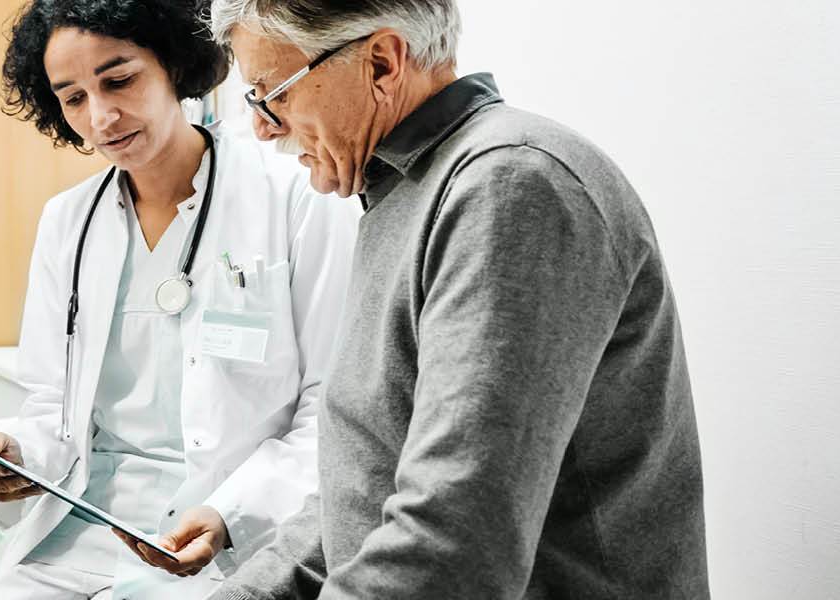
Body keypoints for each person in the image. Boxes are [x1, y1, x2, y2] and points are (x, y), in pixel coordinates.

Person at [207, 0, 708, 598]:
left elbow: (455, 541)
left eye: (274, 92)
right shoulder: (407, 192)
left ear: (383, 64)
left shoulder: (512, 186)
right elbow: (367, 490)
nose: (263, 125)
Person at [0, 0, 360, 597]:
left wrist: (233, 513)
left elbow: (332, 406)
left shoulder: (296, 197)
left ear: (173, 64)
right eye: (72, 98)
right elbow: (51, 404)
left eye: (119, 79)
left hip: (226, 533)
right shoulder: (68, 221)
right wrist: (18, 453)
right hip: (78, 533)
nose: (101, 117)